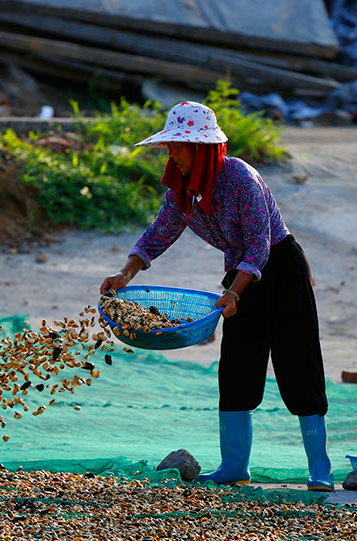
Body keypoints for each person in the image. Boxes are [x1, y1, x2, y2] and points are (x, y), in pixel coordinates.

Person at [100, 101, 334, 491]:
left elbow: (259, 247)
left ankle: (320, 469)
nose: (171, 154)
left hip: (281, 269)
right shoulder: (184, 190)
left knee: (299, 365)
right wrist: (125, 273)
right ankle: (233, 466)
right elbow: (158, 233)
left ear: (203, 148)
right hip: (238, 277)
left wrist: (233, 294)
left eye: (178, 146)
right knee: (238, 367)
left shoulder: (242, 178)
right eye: (169, 146)